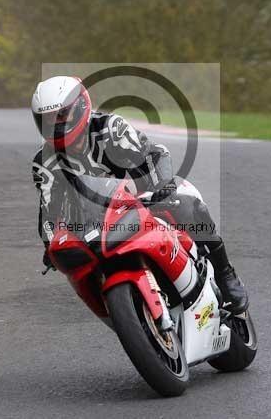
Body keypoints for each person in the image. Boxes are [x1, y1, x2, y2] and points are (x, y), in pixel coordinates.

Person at [30, 75, 249, 313]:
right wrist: (51, 245)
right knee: (74, 262)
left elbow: (155, 154)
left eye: (62, 115)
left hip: (140, 197)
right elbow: (49, 212)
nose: (56, 124)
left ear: (81, 106)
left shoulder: (109, 128)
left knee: (187, 202)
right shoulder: (44, 162)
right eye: (48, 120)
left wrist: (161, 188)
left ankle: (225, 273)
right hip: (93, 222)